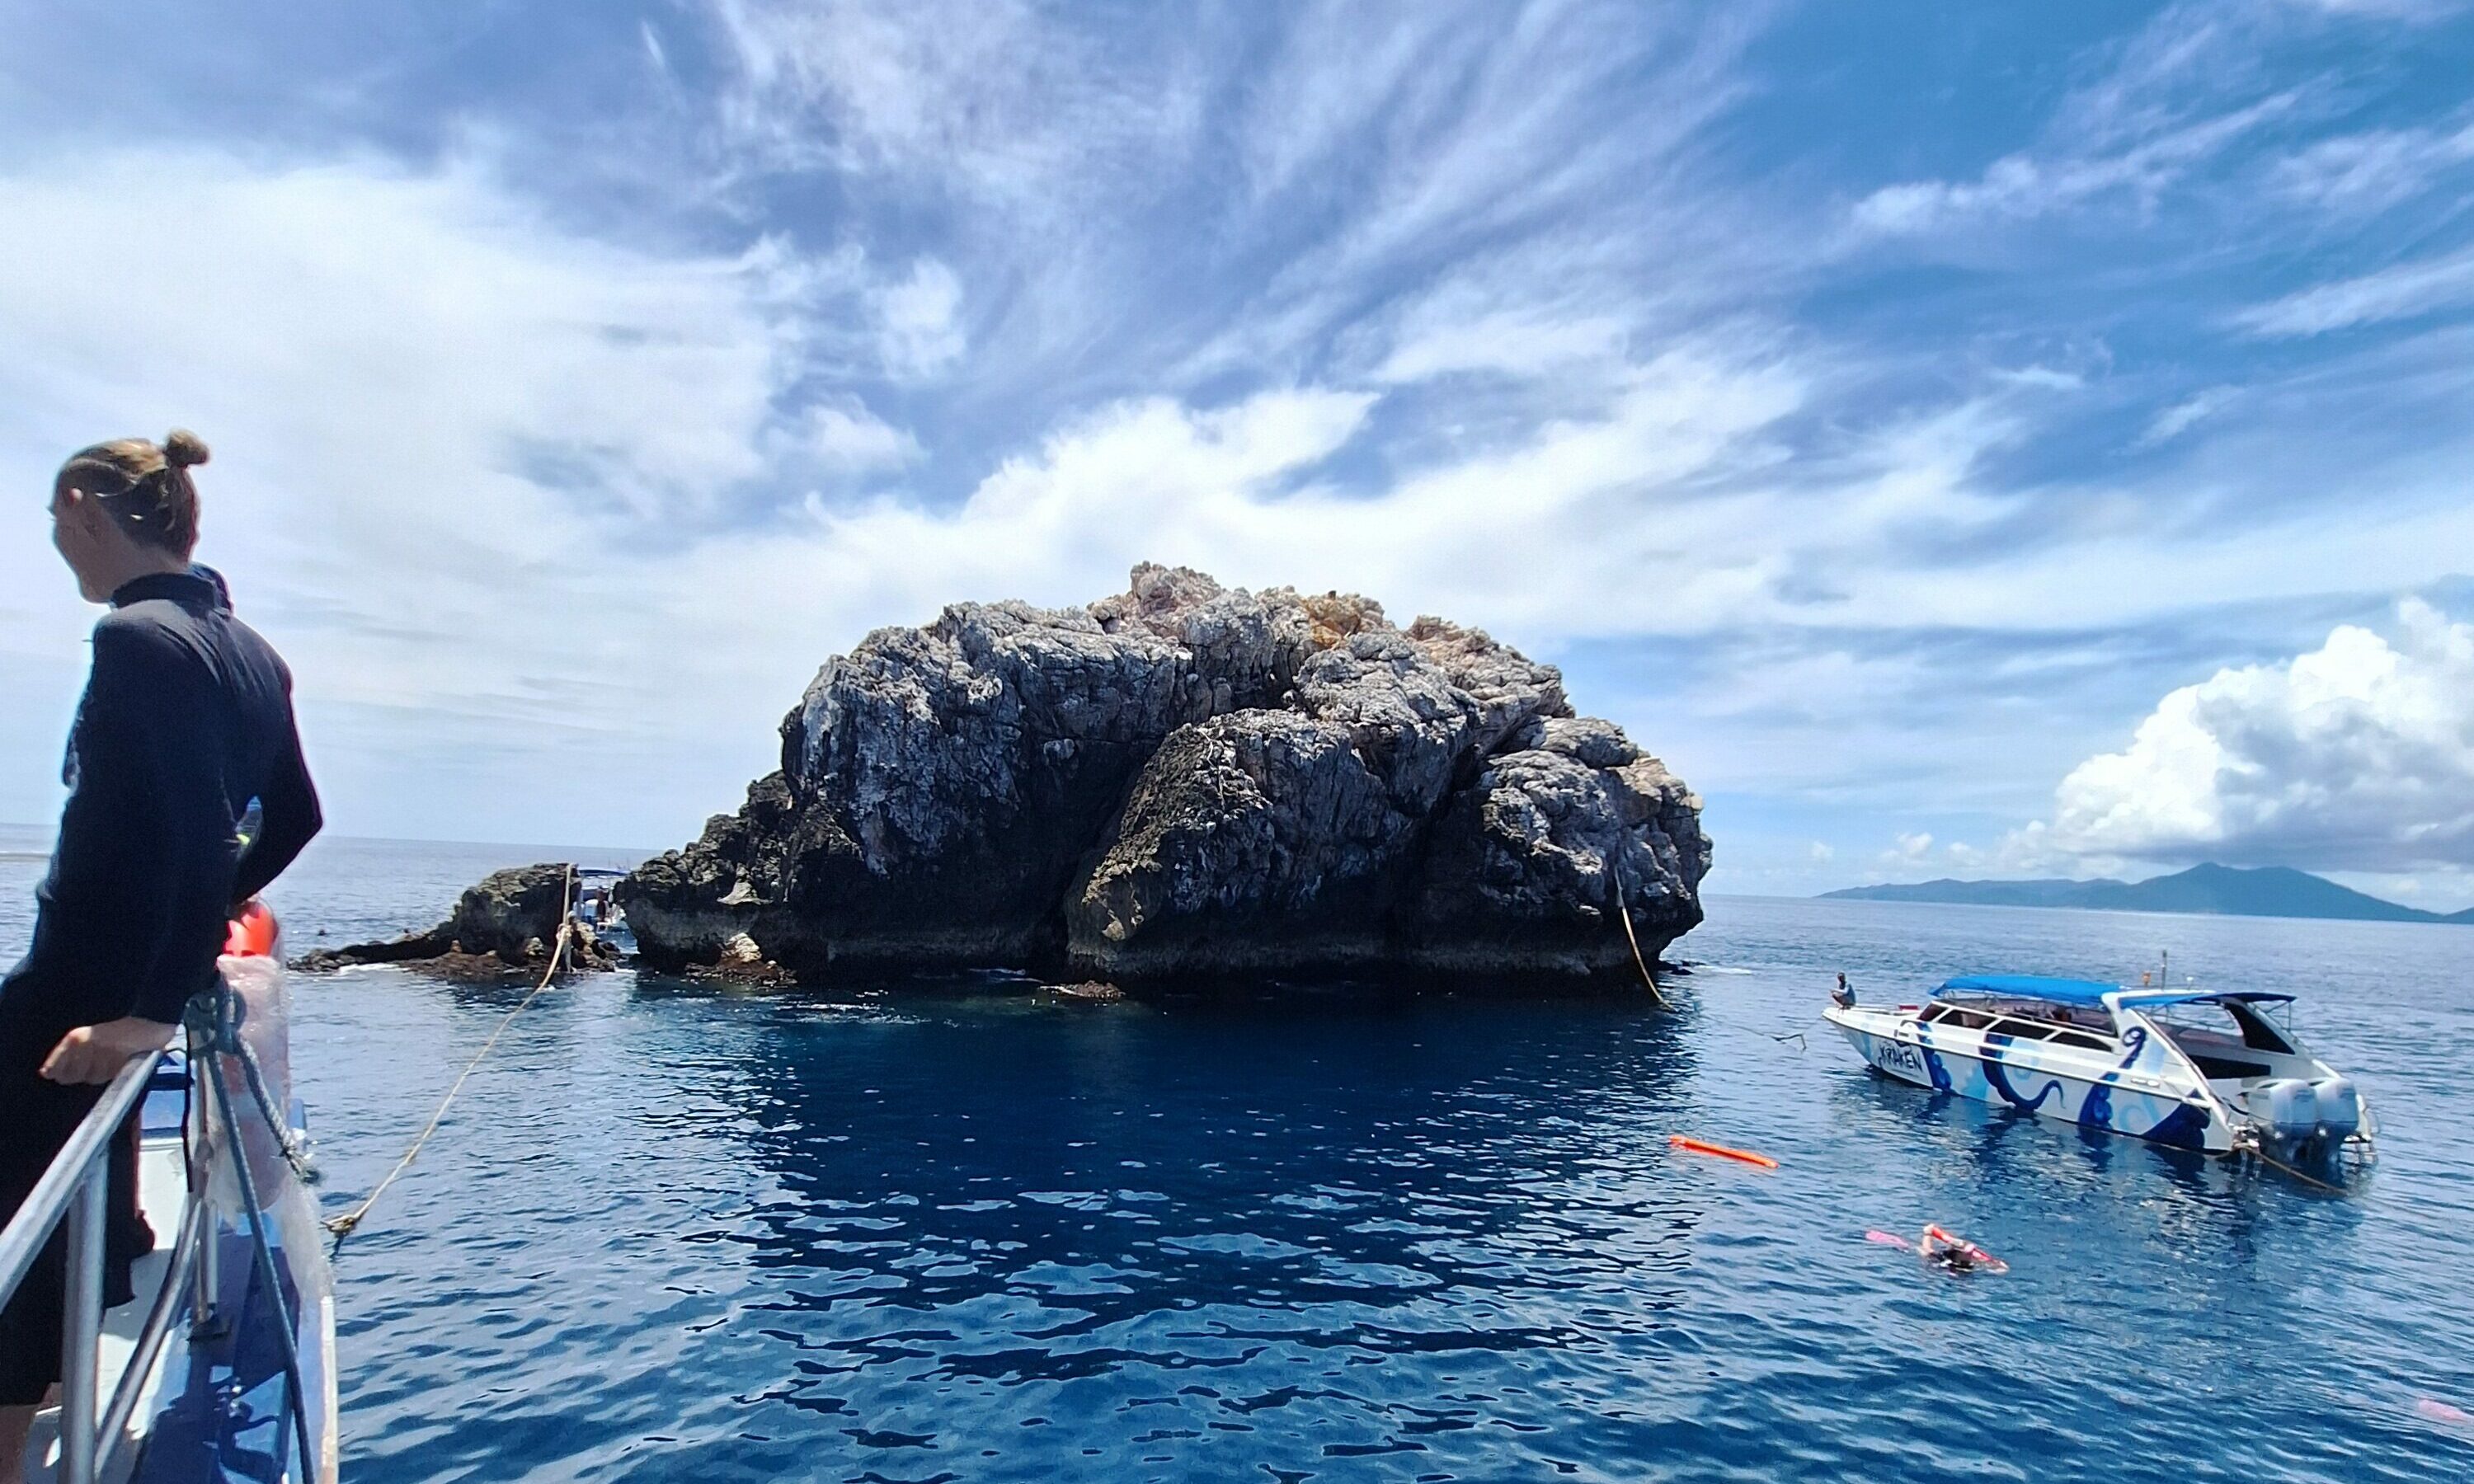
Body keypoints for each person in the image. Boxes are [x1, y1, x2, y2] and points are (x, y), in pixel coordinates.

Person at [0, 431, 321, 1479]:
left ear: (89, 505)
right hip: (118, 979)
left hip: (77, 986)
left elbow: (192, 830)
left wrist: (153, 1000)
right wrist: (185, 937)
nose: (57, 544)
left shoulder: (136, 641)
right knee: (87, 1205)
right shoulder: (253, 654)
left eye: (56, 521)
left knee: (22, 1217)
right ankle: (55, 1383)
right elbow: (294, 819)